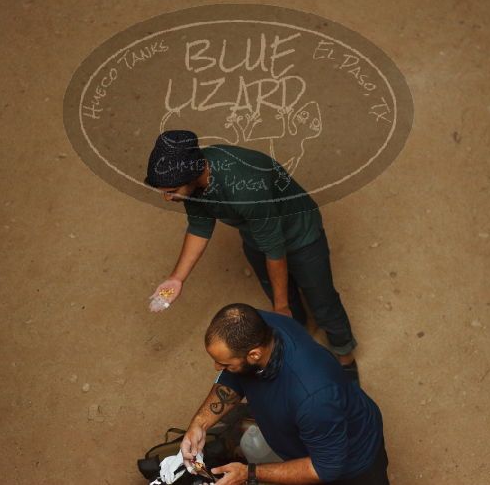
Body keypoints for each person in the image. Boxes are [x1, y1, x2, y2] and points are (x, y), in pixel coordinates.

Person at [145, 130, 360, 380]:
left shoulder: (245, 188)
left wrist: (281, 308)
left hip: (300, 235)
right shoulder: (193, 179)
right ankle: (299, 330)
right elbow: (200, 225)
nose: (167, 197)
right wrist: (177, 278)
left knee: (323, 301)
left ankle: (345, 359)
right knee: (280, 293)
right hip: (257, 236)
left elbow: (275, 249)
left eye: (171, 190)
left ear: (193, 175)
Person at [180, 304, 388, 485]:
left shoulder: (313, 399)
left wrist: (248, 473)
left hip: (353, 466)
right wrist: (200, 423)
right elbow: (237, 374)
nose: (218, 368)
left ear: (254, 354)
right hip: (309, 443)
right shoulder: (253, 328)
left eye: (225, 364)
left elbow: (326, 468)